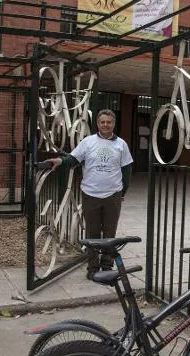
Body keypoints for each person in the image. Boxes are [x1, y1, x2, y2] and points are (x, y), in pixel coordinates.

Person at [45, 109, 133, 280]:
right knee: (92, 233)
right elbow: (73, 159)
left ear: (113, 124)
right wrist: (59, 161)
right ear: (98, 124)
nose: (105, 125)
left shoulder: (121, 144)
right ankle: (92, 267)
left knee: (109, 233)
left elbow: (127, 170)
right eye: (102, 122)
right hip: (90, 194)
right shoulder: (88, 142)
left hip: (112, 195)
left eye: (109, 122)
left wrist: (123, 192)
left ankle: (107, 265)